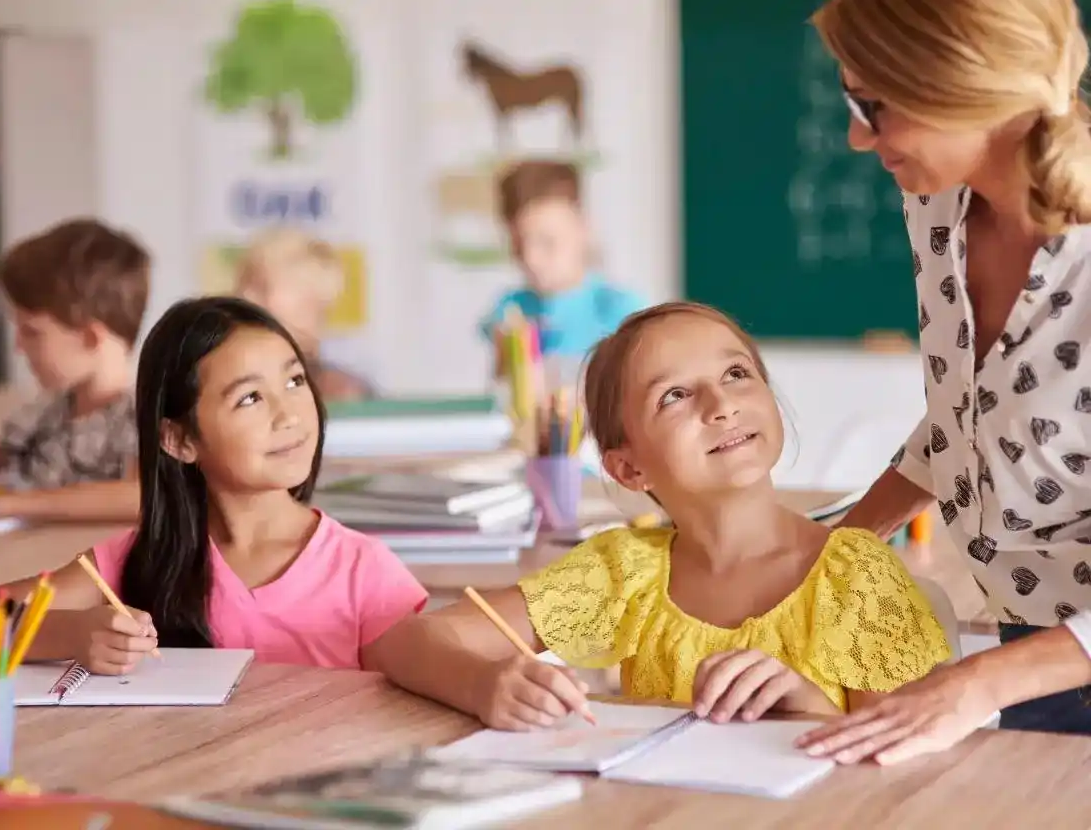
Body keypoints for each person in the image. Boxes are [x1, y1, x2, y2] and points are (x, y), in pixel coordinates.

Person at [365, 302, 949, 729]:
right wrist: (486, 682)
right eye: (674, 395)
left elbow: (902, 776)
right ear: (627, 469)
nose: (721, 406)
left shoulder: (857, 577)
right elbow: (404, 643)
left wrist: (806, 707)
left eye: (736, 375)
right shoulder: (623, 572)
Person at [795, 0, 1091, 766]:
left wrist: (974, 685)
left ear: (967, 86)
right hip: (1034, 656)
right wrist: (840, 549)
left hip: (1038, 662)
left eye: (876, 107)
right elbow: (973, 415)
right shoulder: (938, 205)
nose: (859, 138)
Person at [0, 296, 426, 672]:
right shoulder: (138, 558)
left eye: (296, 382)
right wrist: (68, 634)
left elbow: (426, 674)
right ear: (177, 439)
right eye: (251, 397)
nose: (290, 414)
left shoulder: (364, 571)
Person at [0, 218, 148, 523]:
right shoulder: (45, 410)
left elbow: (140, 496)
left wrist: (5, 505)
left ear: (90, 337)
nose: (18, 348)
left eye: (32, 332)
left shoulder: (144, 417)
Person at [477, 160, 644, 377]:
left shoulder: (622, 312)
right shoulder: (509, 309)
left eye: (547, 241)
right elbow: (502, 391)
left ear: (583, 228)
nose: (530, 258)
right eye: (518, 244)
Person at [236, 227, 374, 401]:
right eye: (242, 284)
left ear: (309, 300)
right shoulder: (218, 381)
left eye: (261, 287)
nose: (243, 297)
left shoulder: (344, 392)